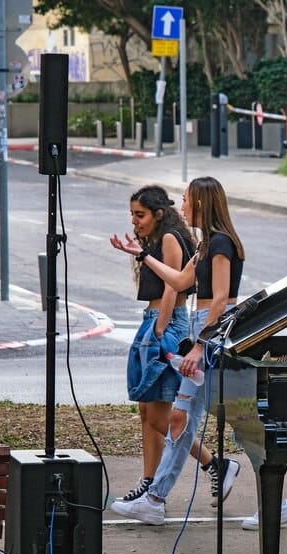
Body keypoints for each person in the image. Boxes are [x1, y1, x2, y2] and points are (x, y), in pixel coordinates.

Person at [109, 177, 244, 525]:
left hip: (212, 332)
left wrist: (199, 345)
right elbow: (181, 281)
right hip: (202, 329)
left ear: (200, 203)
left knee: (244, 423)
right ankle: (155, 498)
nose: (180, 206)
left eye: (185, 199)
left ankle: (278, 502)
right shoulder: (205, 245)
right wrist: (141, 255)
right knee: (181, 417)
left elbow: (220, 299)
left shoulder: (222, 244)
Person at [118, 185, 195, 504]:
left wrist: (159, 329)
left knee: (159, 413)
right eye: (132, 215)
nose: (135, 221)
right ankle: (148, 481)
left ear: (159, 214)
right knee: (146, 409)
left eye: (140, 215)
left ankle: (214, 463)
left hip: (166, 322)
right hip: (154, 320)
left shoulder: (169, 239)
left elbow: (172, 287)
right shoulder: (156, 240)